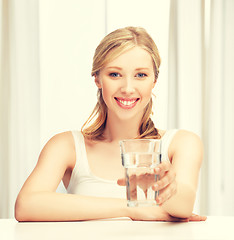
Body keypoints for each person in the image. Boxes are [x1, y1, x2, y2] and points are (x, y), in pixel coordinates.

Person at [15, 26, 206, 222]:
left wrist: (169, 187)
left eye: (141, 75)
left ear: (154, 81)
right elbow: (26, 205)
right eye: (115, 74)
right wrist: (131, 209)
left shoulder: (182, 143)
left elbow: (183, 207)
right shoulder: (66, 146)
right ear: (97, 78)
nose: (128, 88)